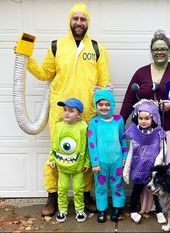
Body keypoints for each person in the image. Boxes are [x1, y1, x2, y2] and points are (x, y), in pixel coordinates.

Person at [25, 3, 111, 216]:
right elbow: (45, 73)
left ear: (88, 22)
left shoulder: (97, 49)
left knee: (87, 154)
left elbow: (104, 83)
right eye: (75, 19)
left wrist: (103, 106)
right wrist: (25, 59)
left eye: (83, 19)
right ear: (70, 21)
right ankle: (52, 197)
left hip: (88, 114)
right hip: (60, 113)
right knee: (57, 152)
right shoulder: (57, 46)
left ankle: (86, 195)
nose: (79, 23)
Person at [120, 30, 170, 170]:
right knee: (147, 166)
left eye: (163, 49)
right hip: (146, 130)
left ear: (169, 50)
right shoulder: (141, 73)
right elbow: (129, 99)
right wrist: (119, 122)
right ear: (151, 51)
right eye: (156, 49)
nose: (159, 52)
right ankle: (148, 193)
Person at [88, 87, 128, 223]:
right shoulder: (94, 122)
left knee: (117, 184)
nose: (104, 107)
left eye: (107, 104)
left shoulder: (118, 120)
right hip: (100, 163)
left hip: (117, 161)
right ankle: (102, 209)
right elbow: (91, 143)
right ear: (96, 105)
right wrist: (95, 163)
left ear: (112, 104)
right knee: (101, 187)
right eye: (100, 104)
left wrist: (124, 156)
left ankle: (117, 207)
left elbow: (123, 138)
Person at [123, 99, 167, 224]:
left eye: (147, 118)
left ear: (153, 118)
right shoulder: (134, 132)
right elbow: (131, 151)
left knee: (155, 190)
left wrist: (158, 162)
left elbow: (164, 148)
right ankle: (132, 211)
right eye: (140, 118)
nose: (143, 121)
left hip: (153, 167)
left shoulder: (158, 132)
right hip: (138, 167)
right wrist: (126, 169)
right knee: (137, 189)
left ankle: (159, 211)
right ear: (137, 117)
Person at [48, 98, 89, 223]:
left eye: (71, 111)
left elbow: (87, 145)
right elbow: (54, 144)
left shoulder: (82, 127)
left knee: (78, 189)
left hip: (78, 166)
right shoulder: (59, 126)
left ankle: (80, 210)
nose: (66, 113)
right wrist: (52, 158)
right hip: (62, 165)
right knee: (62, 189)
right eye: (65, 110)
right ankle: (62, 210)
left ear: (79, 114)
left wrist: (87, 161)